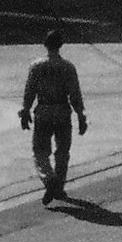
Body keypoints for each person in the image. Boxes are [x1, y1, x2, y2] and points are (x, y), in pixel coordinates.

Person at [20, 28, 88, 204]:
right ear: (61, 45)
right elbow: (75, 94)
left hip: (43, 111)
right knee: (62, 152)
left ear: (45, 45)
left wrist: (25, 110)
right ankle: (59, 187)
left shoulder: (36, 66)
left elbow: (30, 91)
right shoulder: (68, 67)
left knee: (40, 152)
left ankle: (49, 178)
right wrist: (81, 115)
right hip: (63, 111)